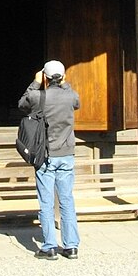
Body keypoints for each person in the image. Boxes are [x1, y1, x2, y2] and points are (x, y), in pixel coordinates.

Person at [18, 59, 81, 260]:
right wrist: (64, 83)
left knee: (46, 201)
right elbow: (77, 102)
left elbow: (22, 103)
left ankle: (49, 246)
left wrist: (36, 82)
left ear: (45, 76)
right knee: (66, 200)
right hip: (66, 153)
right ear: (62, 76)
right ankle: (71, 246)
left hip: (45, 154)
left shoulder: (37, 96)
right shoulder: (70, 95)